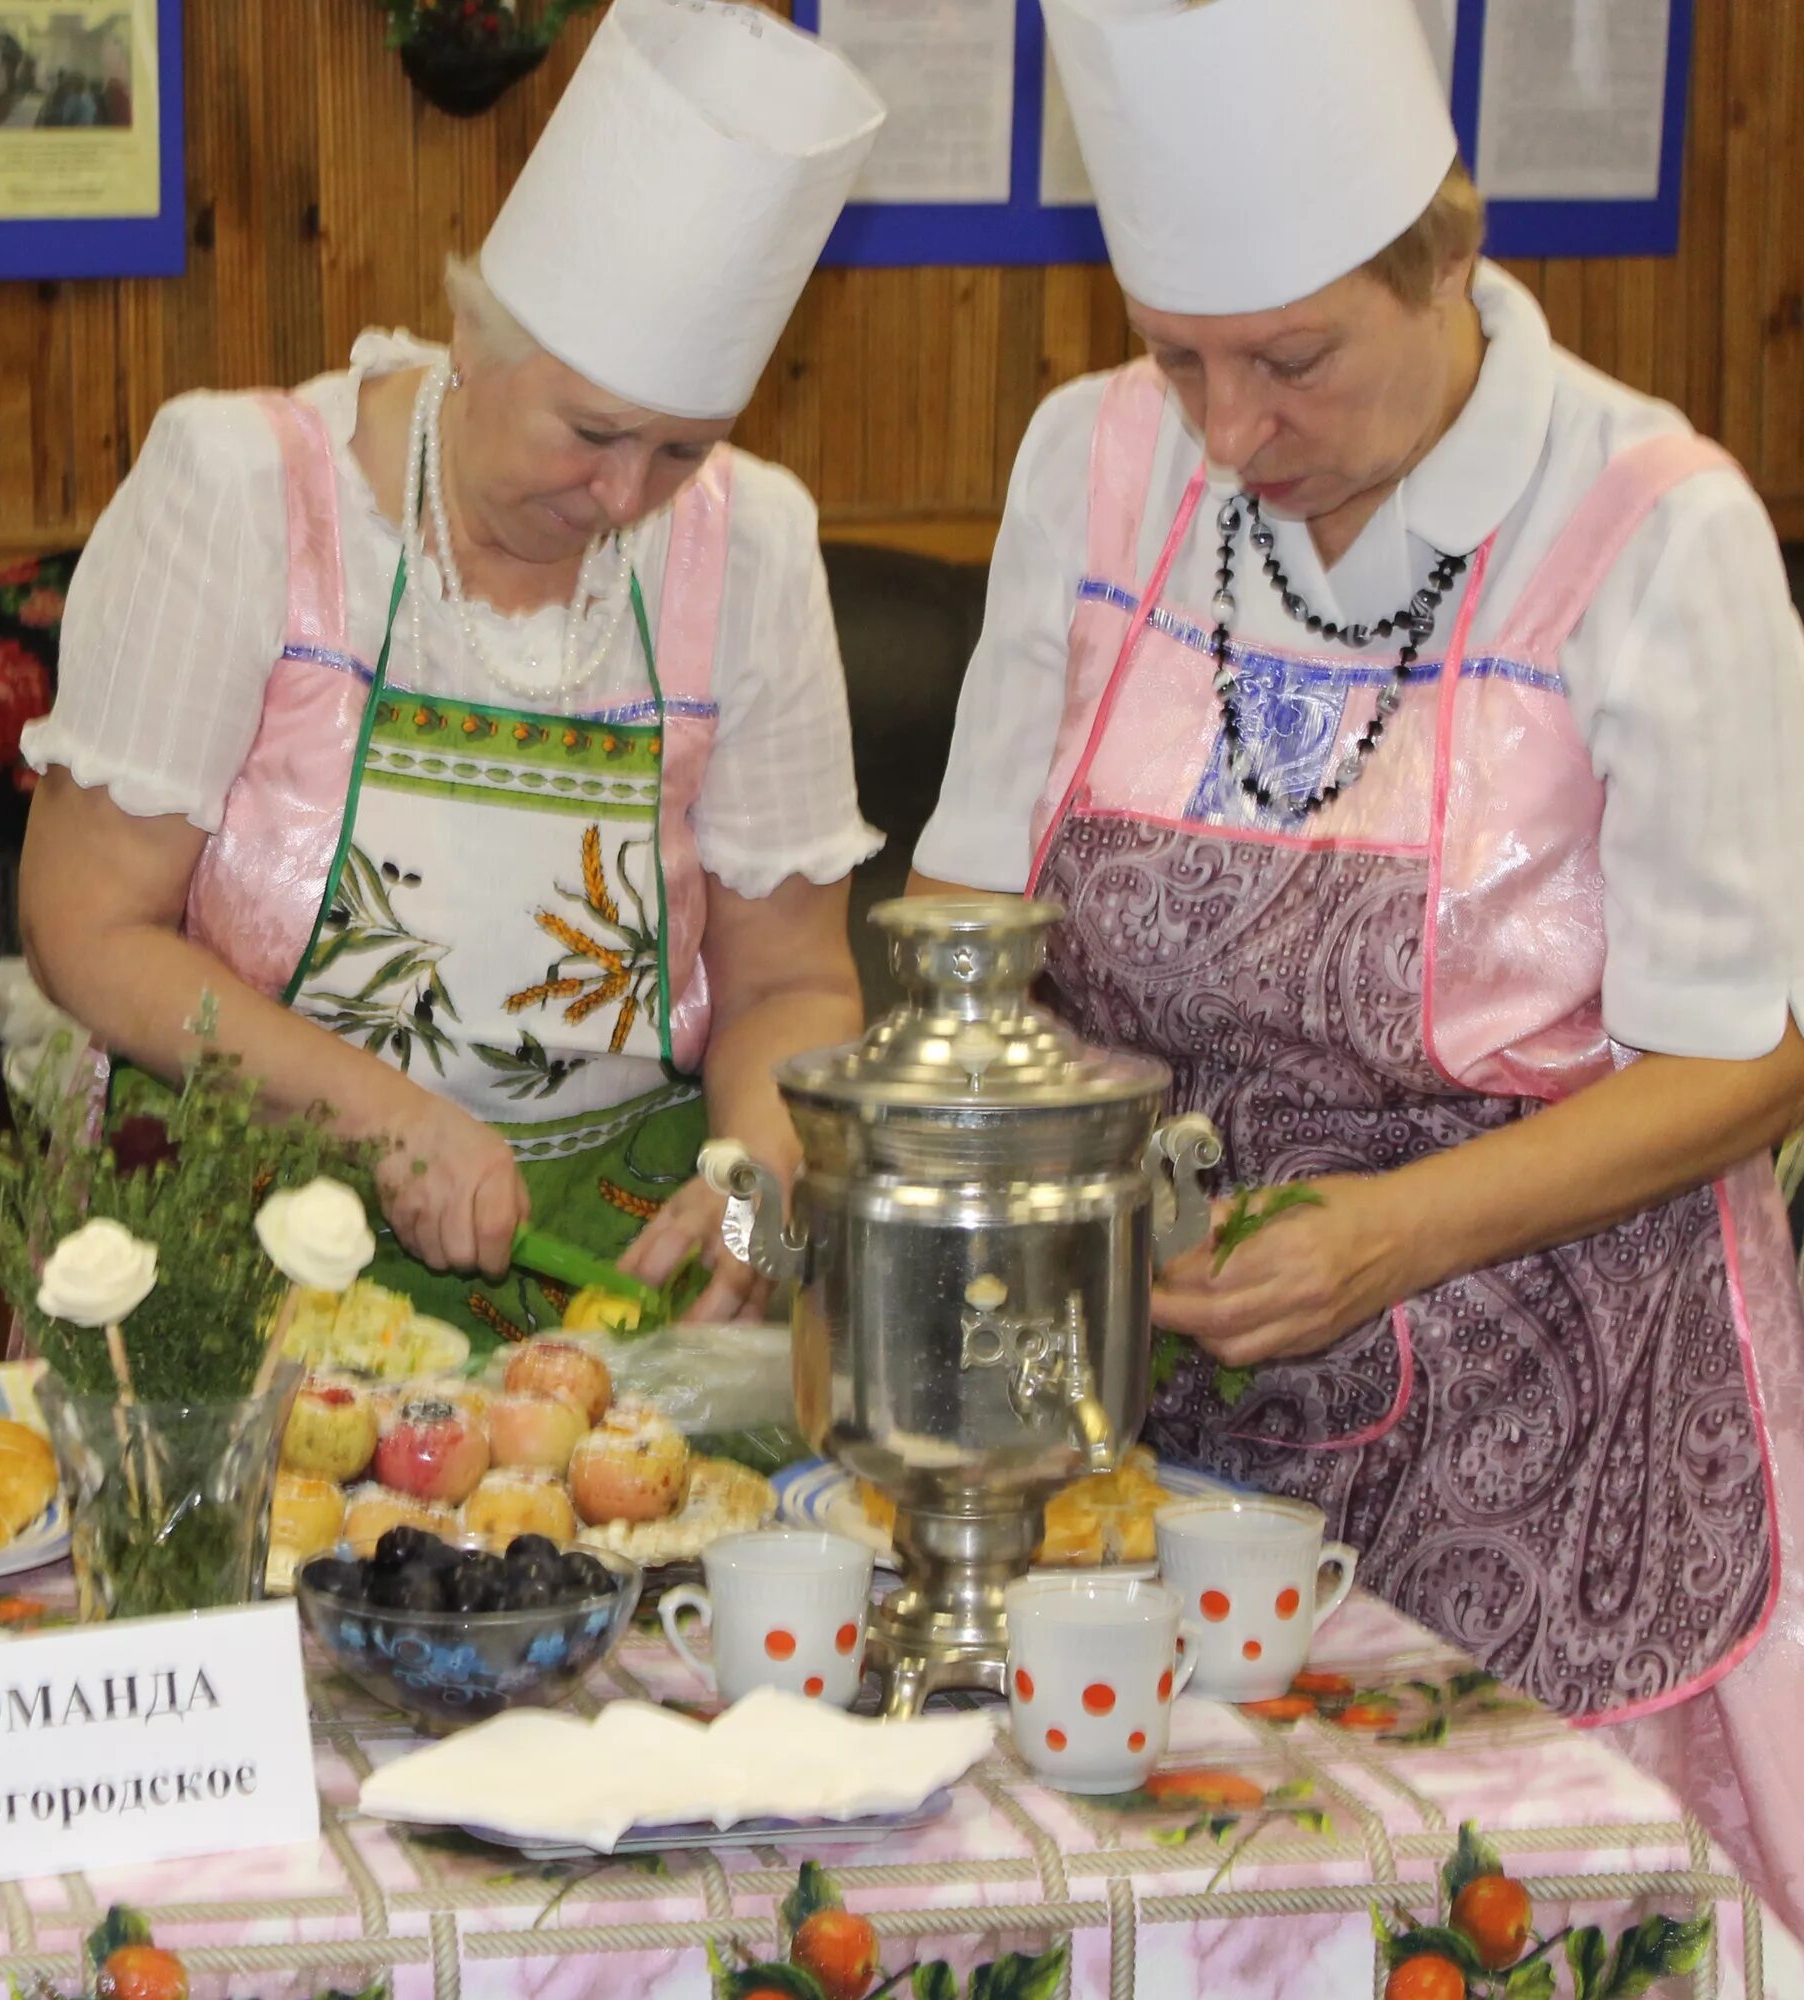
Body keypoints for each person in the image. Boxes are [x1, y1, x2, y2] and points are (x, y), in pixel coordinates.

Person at [911, 0, 1804, 1922]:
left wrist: (1391, 1236)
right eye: (1180, 356)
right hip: (1157, 1424)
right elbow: (972, 923)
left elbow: (1745, 1055)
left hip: (1561, 1454)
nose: (1231, 432)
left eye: (1294, 361)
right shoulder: (1096, 464)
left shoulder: (1655, 532)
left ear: (1446, 263)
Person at [20, 0, 883, 1342]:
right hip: (249, 1216)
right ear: (473, 339)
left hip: (615, 1246)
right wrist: (383, 1116)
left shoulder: (753, 546)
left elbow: (793, 985)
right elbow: (84, 927)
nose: (624, 495)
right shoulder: (246, 493)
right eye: (590, 432)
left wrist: (760, 1170)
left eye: (679, 451)